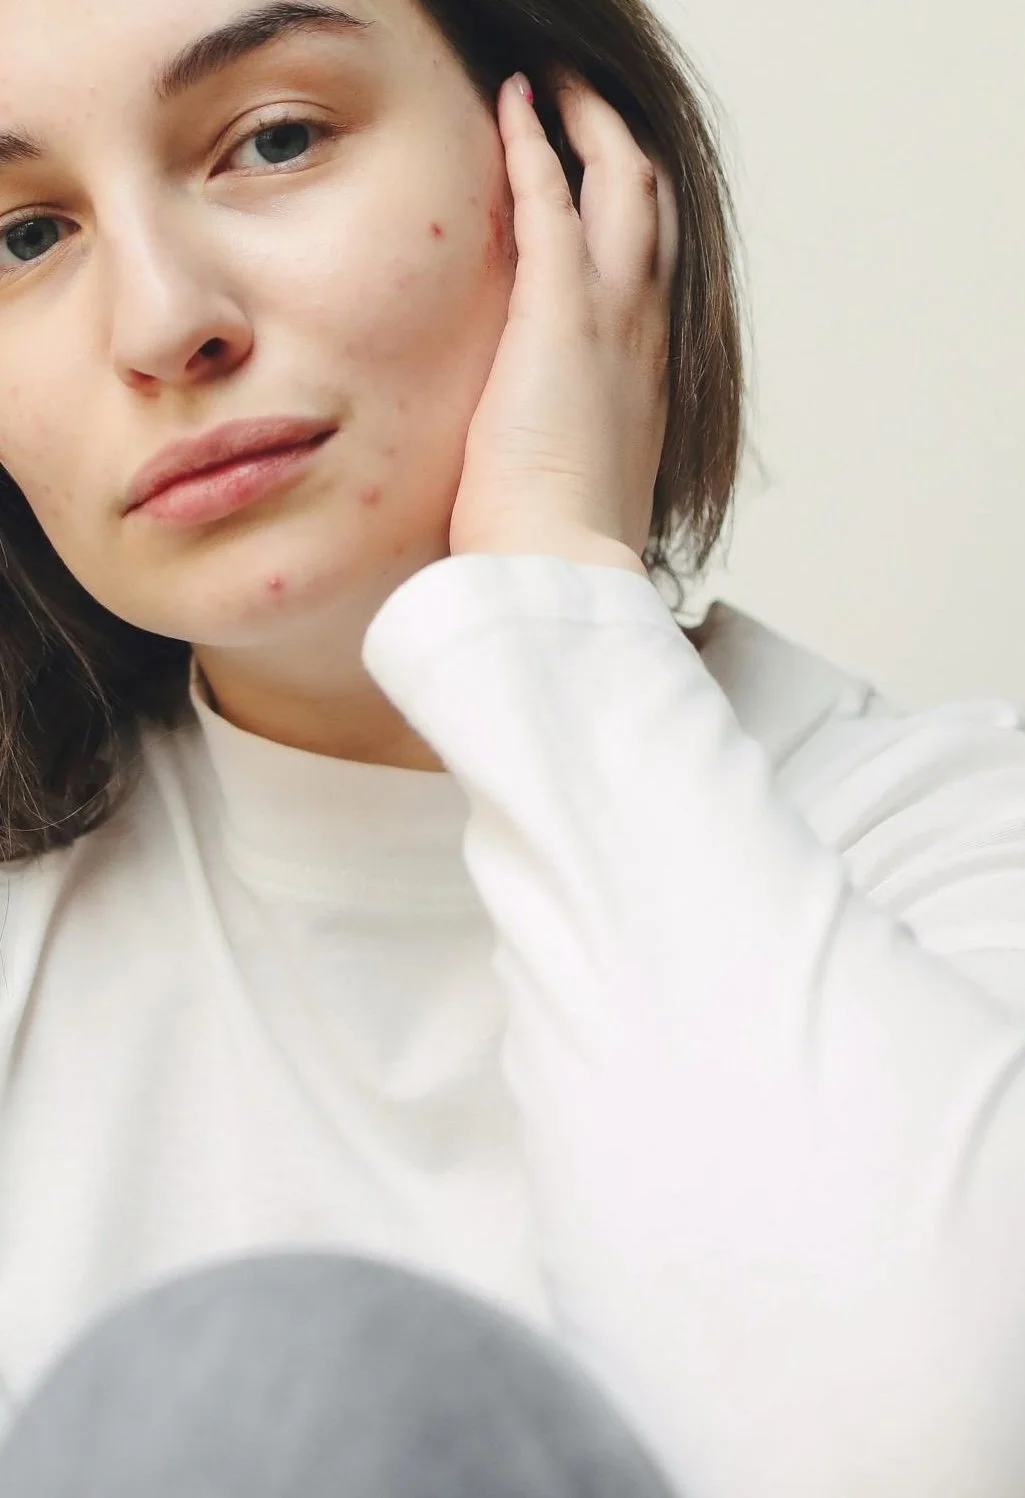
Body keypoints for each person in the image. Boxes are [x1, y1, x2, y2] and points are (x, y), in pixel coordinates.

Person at [0, 0, 1023, 1494]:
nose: (165, 321)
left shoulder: (950, 860)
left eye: (275, 140)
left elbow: (908, 1451)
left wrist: (551, 571)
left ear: (571, 161)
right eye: (24, 237)